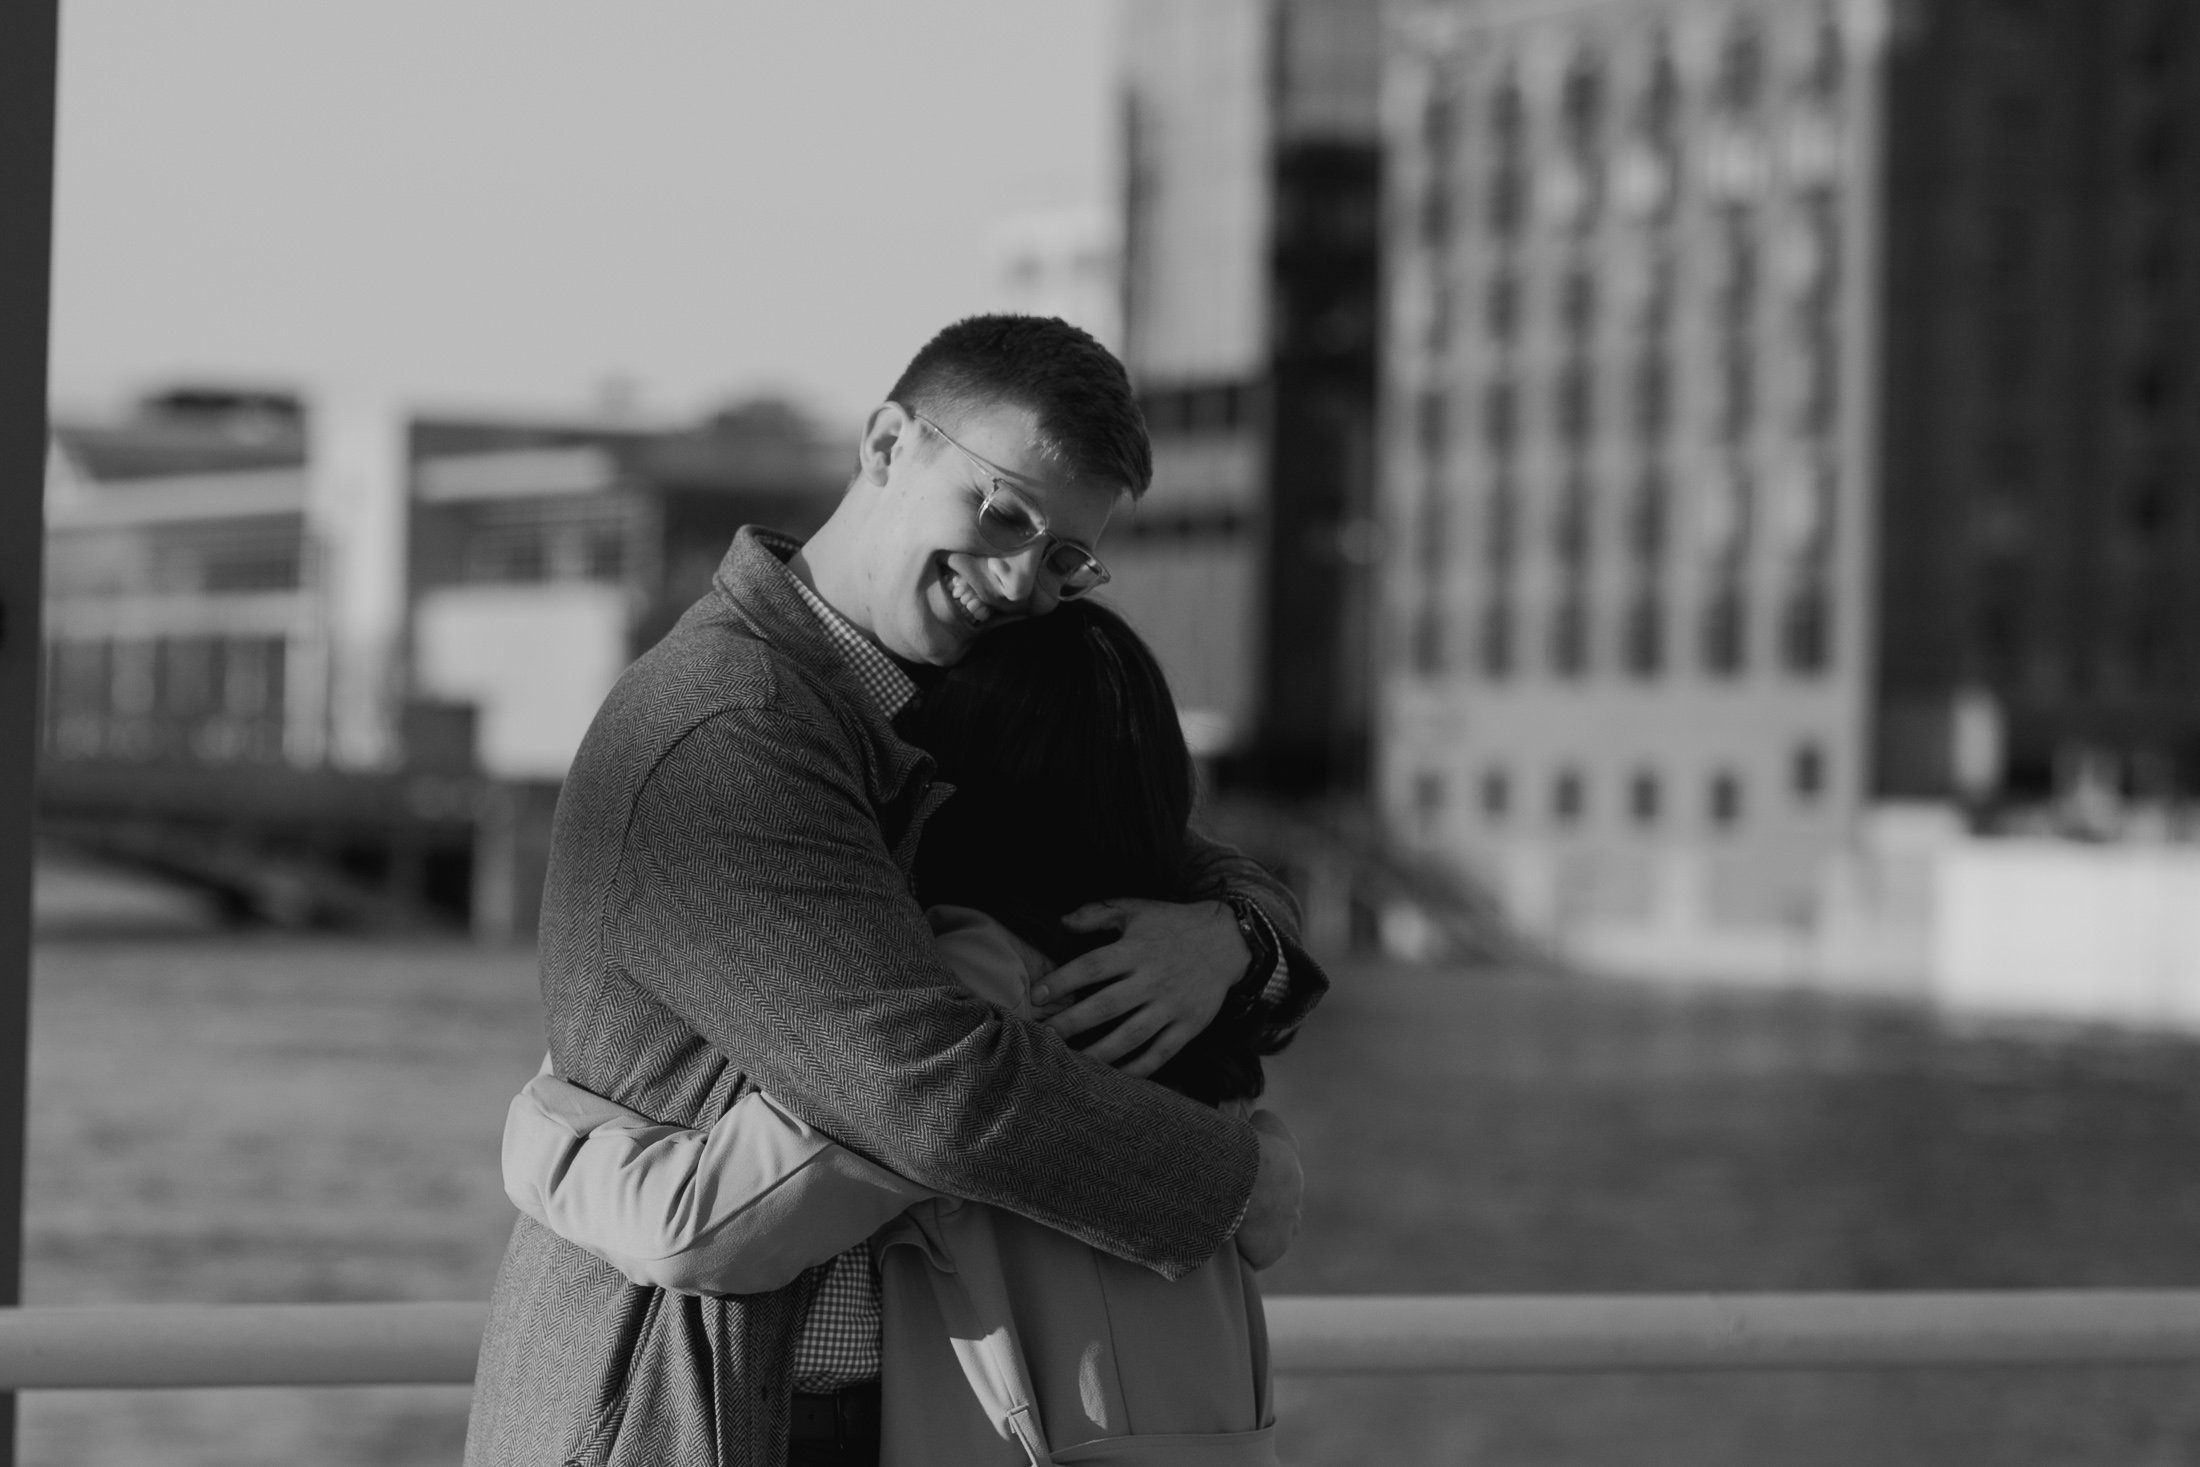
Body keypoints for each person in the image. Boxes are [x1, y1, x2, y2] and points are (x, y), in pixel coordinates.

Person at [463, 315, 1326, 1467]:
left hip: (862, 1406)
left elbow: (1151, 844)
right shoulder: (734, 730)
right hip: (699, 1411)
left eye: (1067, 556)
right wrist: (1236, 1181)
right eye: (1002, 513)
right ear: (884, 447)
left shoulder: (946, 697)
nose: (1025, 580)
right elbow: (929, 1092)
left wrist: (1235, 939)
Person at [503, 601, 1286, 1464]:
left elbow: (708, 1227)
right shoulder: (1202, 968)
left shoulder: (977, 977)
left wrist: (545, 1133)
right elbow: (1268, 1226)